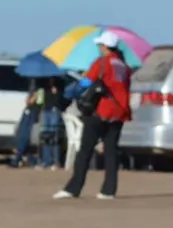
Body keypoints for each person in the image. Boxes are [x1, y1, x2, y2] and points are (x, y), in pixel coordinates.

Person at [53, 30, 132, 200]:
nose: (99, 47)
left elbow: (86, 83)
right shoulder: (124, 66)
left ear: (105, 46)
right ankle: (108, 190)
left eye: (100, 45)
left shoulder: (102, 63)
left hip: (101, 110)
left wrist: (69, 94)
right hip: (119, 112)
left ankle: (73, 188)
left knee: (85, 151)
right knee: (111, 152)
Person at [39, 78, 64, 170]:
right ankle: (46, 161)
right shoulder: (43, 82)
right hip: (46, 109)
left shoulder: (60, 82)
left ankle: (56, 161)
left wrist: (57, 93)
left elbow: (62, 98)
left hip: (54, 110)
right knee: (45, 136)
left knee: (55, 137)